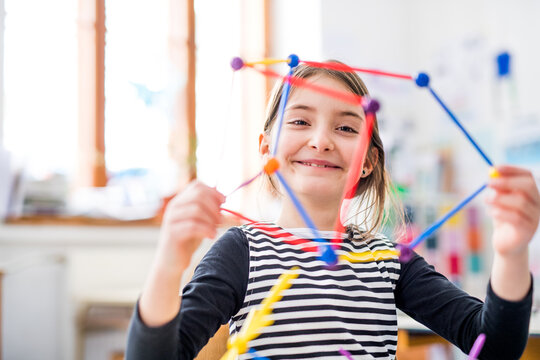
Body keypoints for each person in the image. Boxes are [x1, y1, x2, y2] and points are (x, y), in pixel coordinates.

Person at [126, 61, 539, 360]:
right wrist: (167, 264)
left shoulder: (389, 261)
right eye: (301, 122)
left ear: (368, 162)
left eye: (345, 128)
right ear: (266, 147)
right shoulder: (243, 250)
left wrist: (512, 252)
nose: (321, 141)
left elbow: (494, 346)